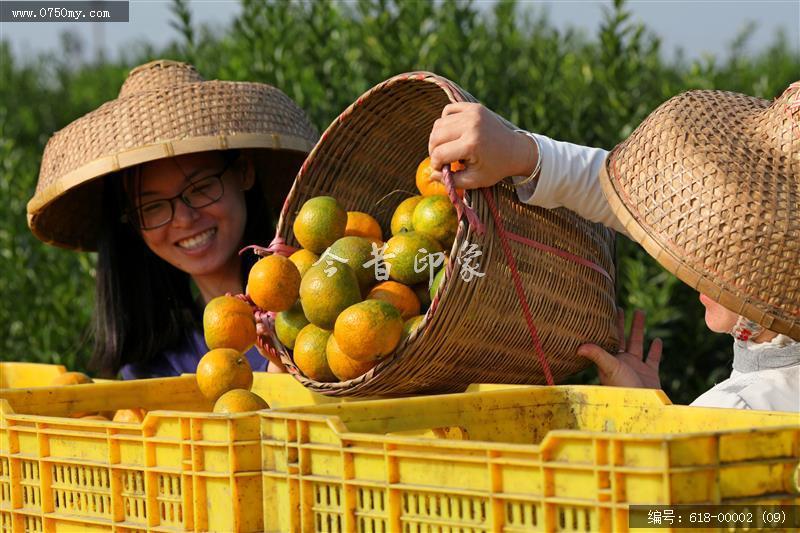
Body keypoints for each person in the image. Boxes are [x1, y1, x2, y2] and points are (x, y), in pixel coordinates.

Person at [427, 82, 799, 411]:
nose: (694, 266)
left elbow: (657, 486)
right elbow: (645, 202)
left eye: (729, 252)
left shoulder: (737, 409)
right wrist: (656, 414)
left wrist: (520, 151)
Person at [27, 60, 318, 379]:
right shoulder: (152, 369)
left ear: (244, 172)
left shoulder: (318, 294)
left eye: (200, 188)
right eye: (152, 207)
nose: (183, 218)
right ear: (133, 224)